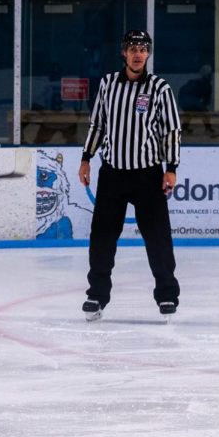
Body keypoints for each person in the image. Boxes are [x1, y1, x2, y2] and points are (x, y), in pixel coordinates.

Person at [78, 30, 182, 322]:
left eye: (143, 48)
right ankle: (96, 294)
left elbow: (171, 130)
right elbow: (97, 125)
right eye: (133, 48)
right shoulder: (108, 84)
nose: (138, 53)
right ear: (124, 52)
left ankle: (167, 296)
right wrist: (86, 158)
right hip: (112, 175)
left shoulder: (160, 88)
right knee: (102, 238)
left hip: (148, 176)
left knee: (158, 238)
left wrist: (171, 168)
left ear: (148, 54)